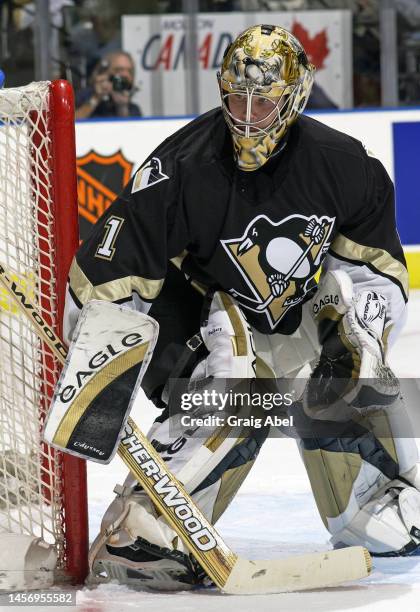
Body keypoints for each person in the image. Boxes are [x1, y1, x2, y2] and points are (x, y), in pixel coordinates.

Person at [64, 25, 418, 591]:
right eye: (238, 96)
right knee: (238, 388)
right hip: (206, 319)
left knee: (382, 525)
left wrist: (363, 340)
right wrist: (98, 380)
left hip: (300, 312)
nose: (249, 115)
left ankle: (377, 499)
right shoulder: (180, 168)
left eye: (265, 99)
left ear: (295, 95)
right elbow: (106, 278)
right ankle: (148, 521)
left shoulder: (343, 163)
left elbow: (379, 270)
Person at [75, 50, 142, 119]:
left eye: (129, 71)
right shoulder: (85, 96)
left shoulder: (133, 108)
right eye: (119, 69)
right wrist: (96, 98)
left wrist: (122, 107)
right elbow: (71, 123)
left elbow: (132, 128)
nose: (125, 75)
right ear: (105, 72)